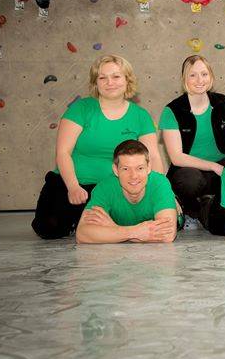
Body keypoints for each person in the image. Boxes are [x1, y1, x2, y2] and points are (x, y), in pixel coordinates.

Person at [32, 55, 163, 239]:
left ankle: (88, 221)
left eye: (116, 76)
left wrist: (158, 191)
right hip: (73, 183)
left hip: (114, 187)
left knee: (135, 221)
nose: (110, 82)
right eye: (103, 77)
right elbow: (63, 152)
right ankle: (78, 220)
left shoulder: (141, 116)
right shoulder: (81, 109)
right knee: (49, 228)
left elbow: (153, 157)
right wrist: (73, 187)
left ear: (127, 80)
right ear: (96, 82)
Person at [159, 55, 225, 225]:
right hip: (189, 171)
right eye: (193, 75)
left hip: (221, 165)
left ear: (211, 76)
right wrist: (213, 166)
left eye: (204, 74)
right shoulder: (172, 110)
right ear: (184, 79)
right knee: (189, 181)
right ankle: (191, 211)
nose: (200, 80)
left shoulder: (222, 102)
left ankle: (217, 206)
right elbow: (177, 157)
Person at [76, 140, 177, 244]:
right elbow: (82, 234)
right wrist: (135, 233)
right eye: (125, 169)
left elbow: (167, 236)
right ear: (116, 170)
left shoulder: (159, 183)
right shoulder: (104, 188)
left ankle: (175, 203)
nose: (133, 176)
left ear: (148, 167)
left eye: (140, 168)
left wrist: (113, 228)